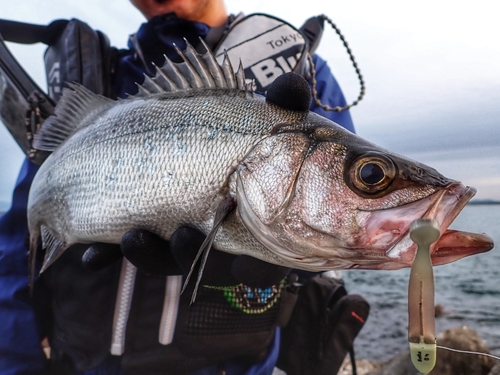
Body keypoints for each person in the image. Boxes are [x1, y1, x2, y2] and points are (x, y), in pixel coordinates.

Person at [0, 1, 355, 374]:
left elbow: (341, 220)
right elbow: (16, 249)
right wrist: (15, 364)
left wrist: (288, 262)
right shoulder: (92, 81)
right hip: (76, 362)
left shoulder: (302, 71)